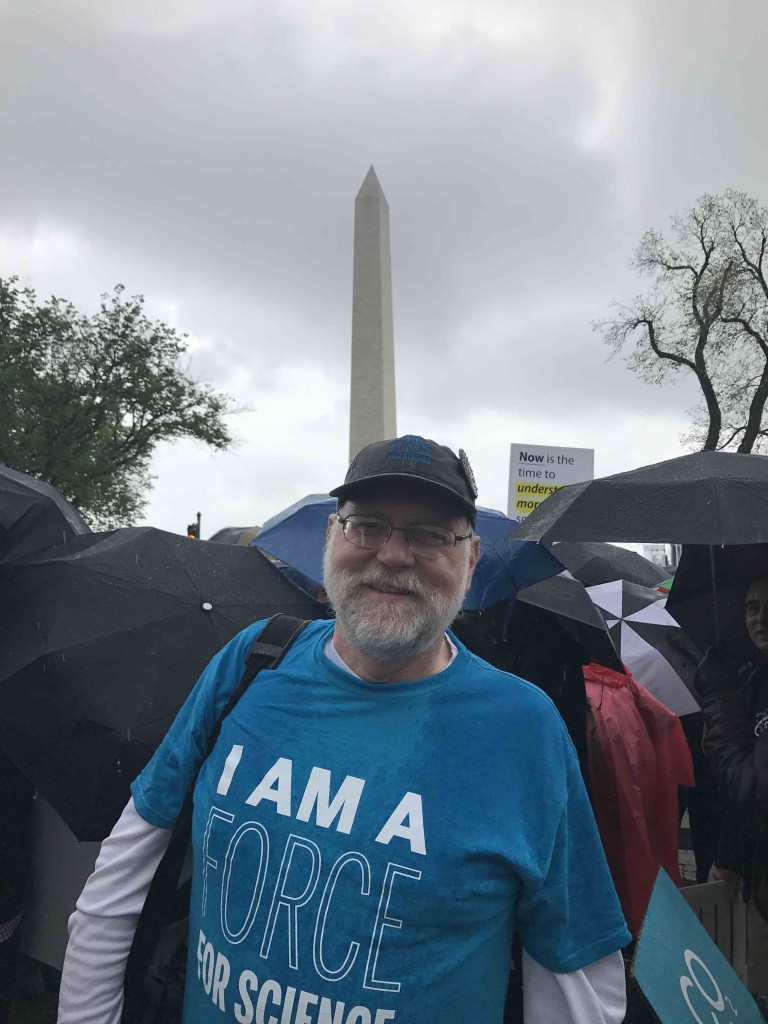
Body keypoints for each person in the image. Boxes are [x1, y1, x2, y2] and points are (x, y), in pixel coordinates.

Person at [58, 435, 630, 1024]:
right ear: (332, 535)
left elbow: (575, 972)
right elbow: (119, 883)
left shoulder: (523, 726)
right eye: (368, 525)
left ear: (472, 557)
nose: (394, 554)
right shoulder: (252, 661)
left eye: (430, 533)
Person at [695, 575, 768, 914]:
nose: (761, 619)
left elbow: (749, 785)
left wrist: (719, 697)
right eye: (753, 608)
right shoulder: (756, 677)